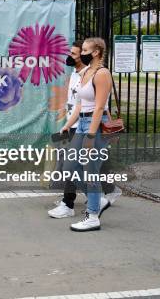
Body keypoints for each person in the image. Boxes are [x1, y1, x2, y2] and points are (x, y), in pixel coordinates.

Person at [48, 40, 120, 220]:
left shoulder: (102, 74)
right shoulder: (85, 73)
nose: (82, 54)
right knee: (70, 166)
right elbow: (80, 104)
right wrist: (66, 125)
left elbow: (99, 107)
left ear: (96, 52)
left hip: (93, 124)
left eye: (85, 50)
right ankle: (97, 199)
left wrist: (91, 134)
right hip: (81, 122)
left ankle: (92, 214)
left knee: (91, 169)